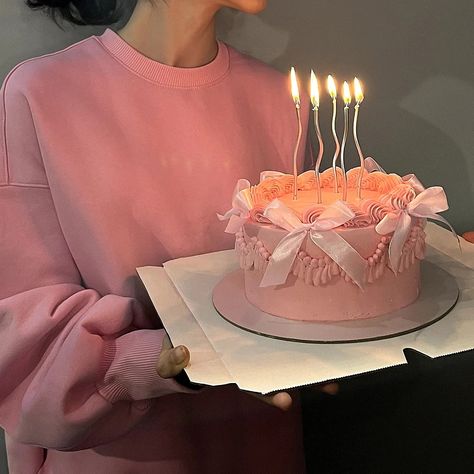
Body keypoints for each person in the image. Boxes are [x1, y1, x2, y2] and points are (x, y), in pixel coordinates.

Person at [0, 0, 335, 472]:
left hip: (259, 441)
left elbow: (291, 272)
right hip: (122, 454)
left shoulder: (279, 96)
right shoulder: (41, 94)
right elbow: (23, 329)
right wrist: (157, 359)